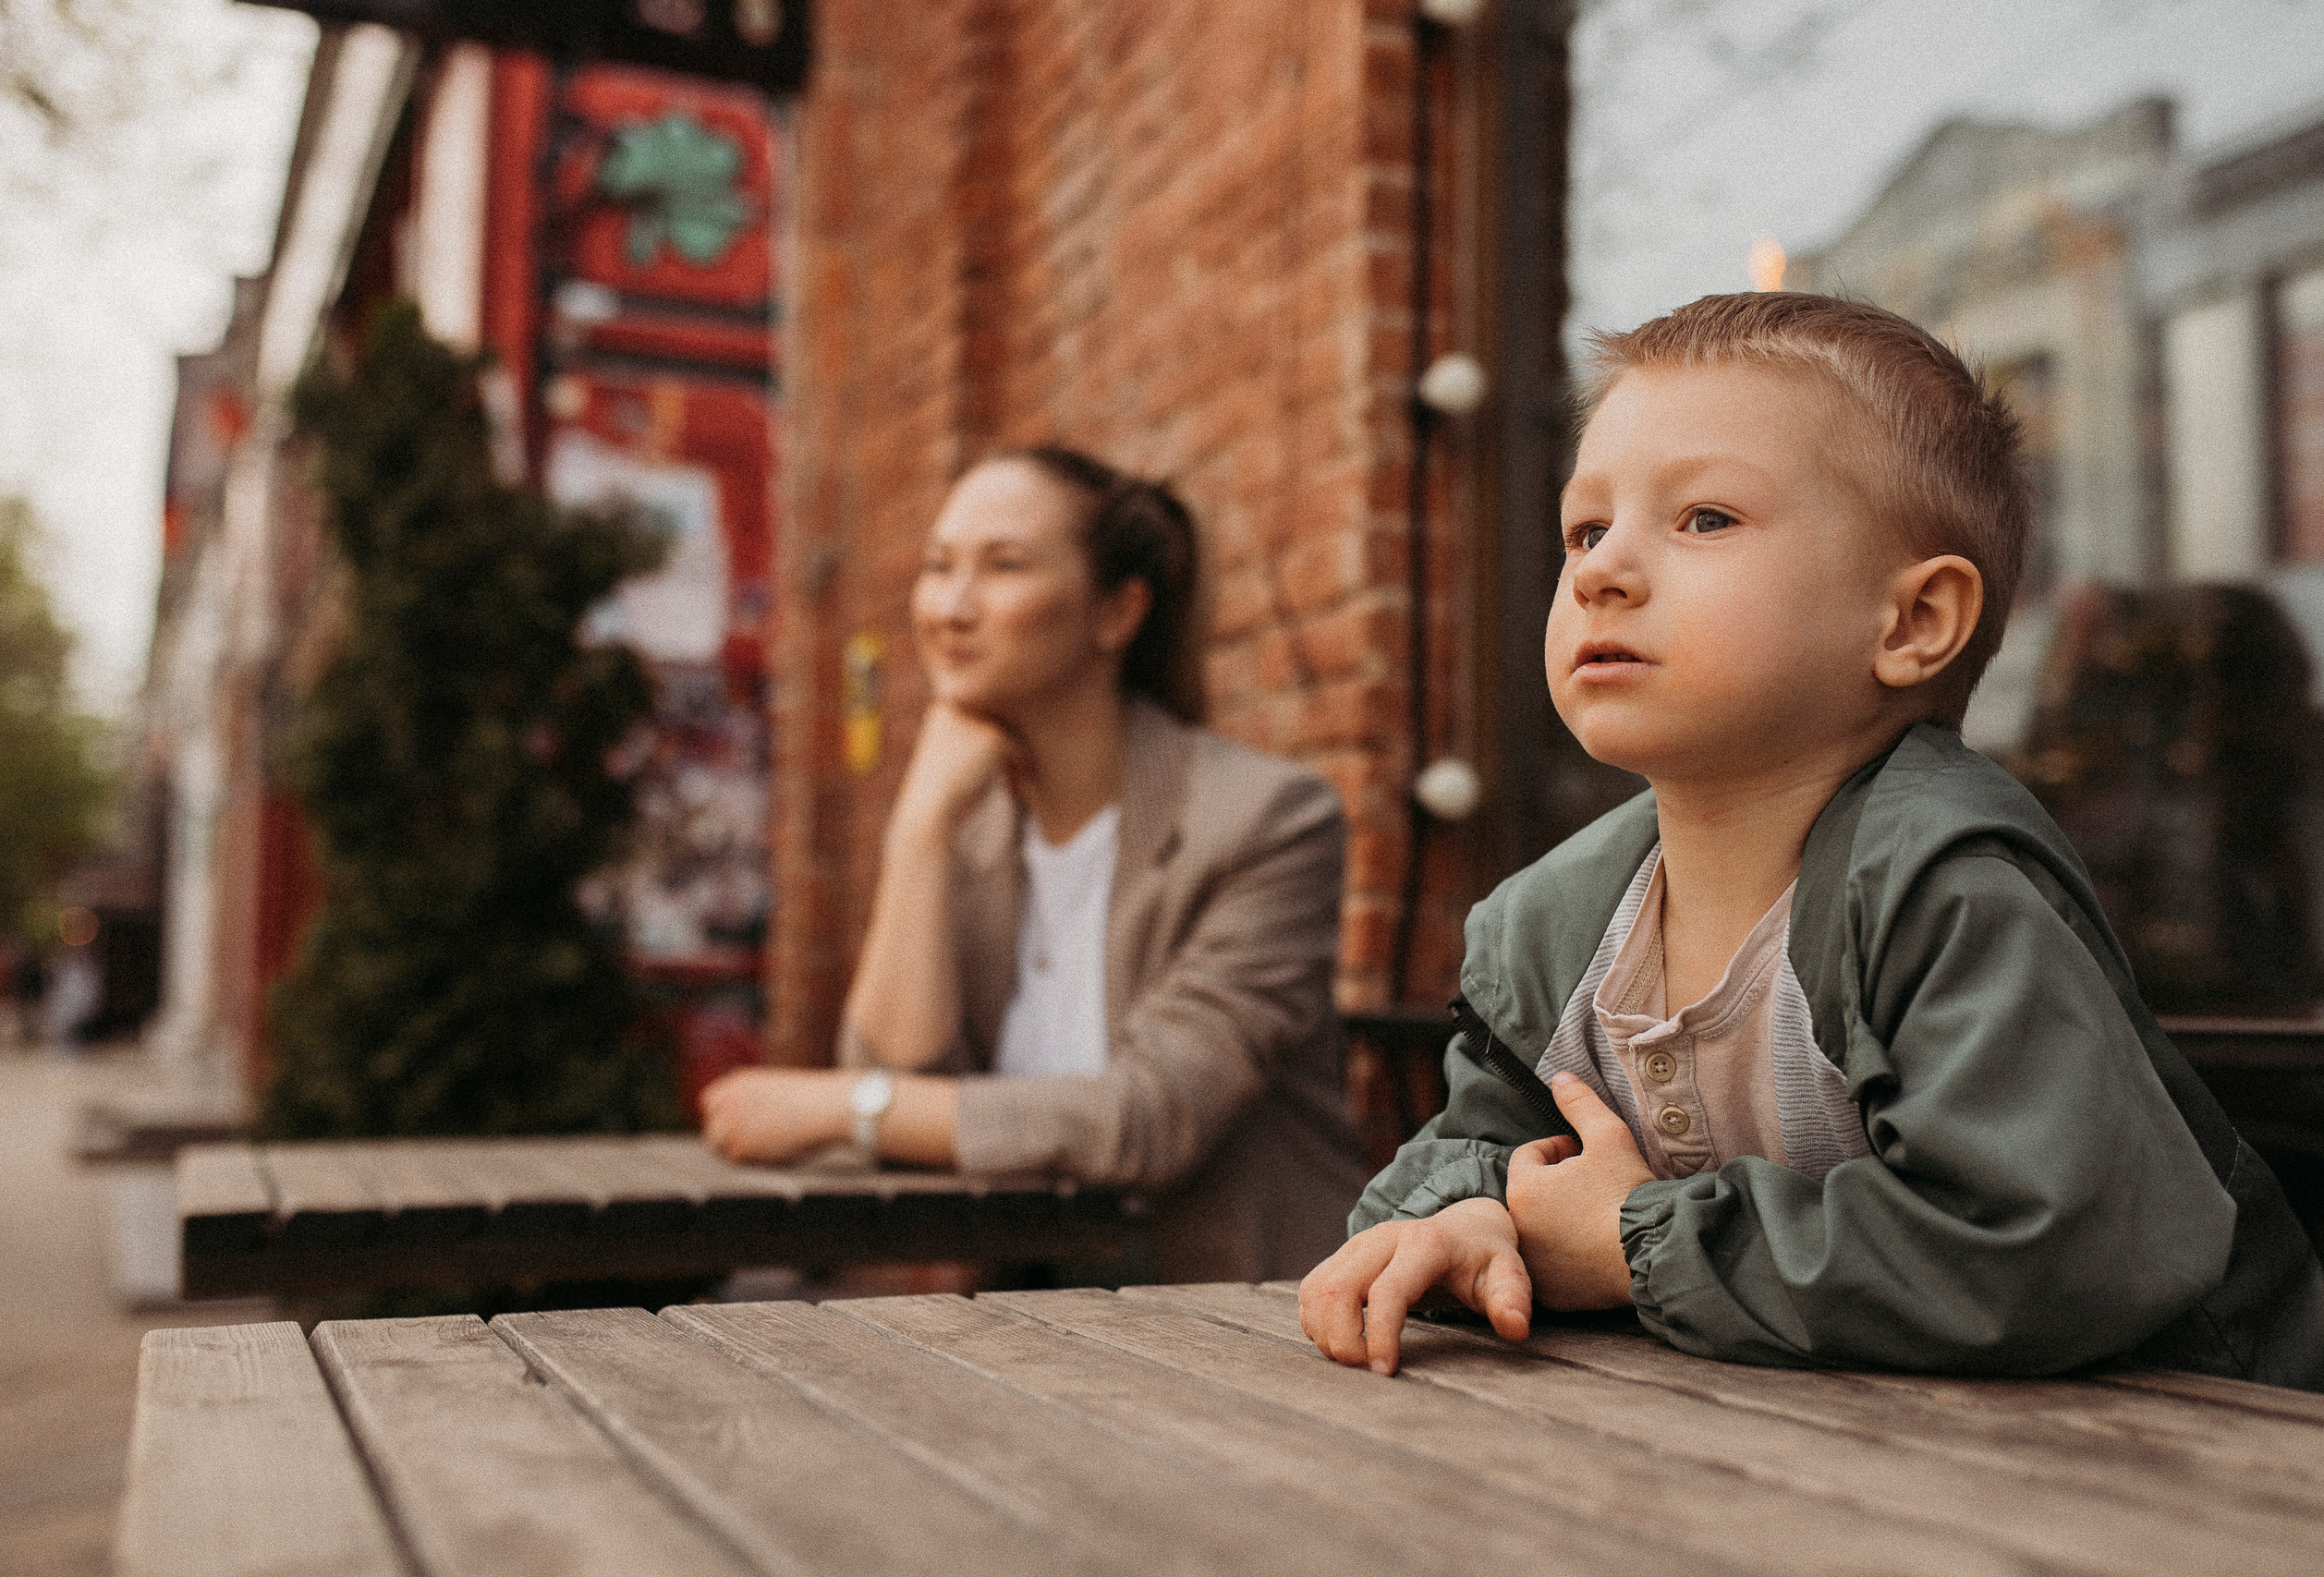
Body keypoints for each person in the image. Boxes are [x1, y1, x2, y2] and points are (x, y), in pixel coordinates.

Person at [1300, 292, 2324, 1389]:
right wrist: (1472, 1221)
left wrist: (1632, 1243)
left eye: (1704, 519)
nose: (1599, 570)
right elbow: (1471, 1154)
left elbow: (2048, 1245)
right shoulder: (1550, 933)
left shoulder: (1942, 893)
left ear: (1912, 622)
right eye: (1585, 529)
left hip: (2199, 1442)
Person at [700, 446, 1363, 1281]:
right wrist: (919, 829)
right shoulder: (969, 824)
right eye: (938, 566)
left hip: (1245, 1312)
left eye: (1003, 565)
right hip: (1021, 1310)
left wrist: (843, 1106)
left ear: (1116, 613)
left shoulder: (1266, 819)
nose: (950, 607)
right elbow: (905, 1090)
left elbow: (1148, 1122)